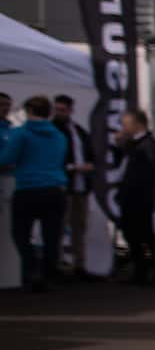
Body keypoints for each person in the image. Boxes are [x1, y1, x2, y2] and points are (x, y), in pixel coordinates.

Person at [0, 96, 70, 292]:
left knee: (20, 234)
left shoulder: (21, 133)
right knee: (51, 237)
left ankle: (31, 270)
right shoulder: (59, 136)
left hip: (28, 189)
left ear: (29, 111)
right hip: (55, 190)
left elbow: (6, 158)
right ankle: (48, 273)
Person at [117, 110, 155, 286]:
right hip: (128, 196)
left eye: (126, 124)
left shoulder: (149, 144)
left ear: (138, 124)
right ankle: (140, 272)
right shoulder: (132, 144)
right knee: (131, 235)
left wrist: (144, 192)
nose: (124, 128)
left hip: (141, 197)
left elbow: (151, 171)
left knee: (146, 234)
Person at [51, 95, 94, 276]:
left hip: (81, 186)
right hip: (63, 185)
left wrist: (90, 165)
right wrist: (73, 167)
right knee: (59, 226)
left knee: (80, 226)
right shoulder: (53, 130)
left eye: (63, 110)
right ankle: (55, 264)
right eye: (57, 109)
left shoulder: (78, 131)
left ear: (70, 110)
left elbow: (90, 153)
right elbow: (52, 159)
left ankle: (79, 264)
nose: (59, 113)